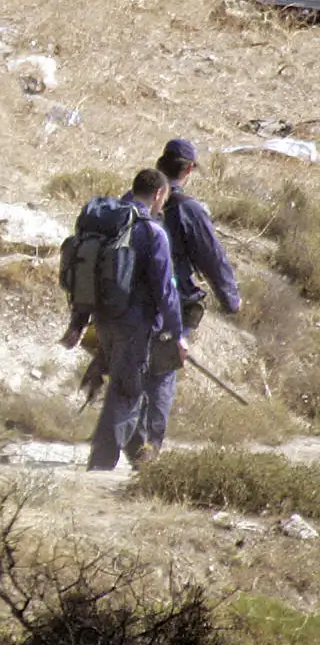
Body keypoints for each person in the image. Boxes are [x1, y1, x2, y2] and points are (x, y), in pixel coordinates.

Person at [63, 168, 182, 472]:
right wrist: (176, 332)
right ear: (158, 194)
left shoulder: (113, 227)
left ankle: (143, 462)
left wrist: (78, 322)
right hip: (135, 326)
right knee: (126, 393)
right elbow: (165, 289)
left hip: (103, 321)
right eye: (163, 198)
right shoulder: (152, 232)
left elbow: (91, 274)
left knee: (128, 386)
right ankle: (99, 467)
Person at [136, 137, 240, 458]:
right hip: (174, 301)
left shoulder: (135, 199)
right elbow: (212, 258)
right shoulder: (188, 209)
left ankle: (128, 435)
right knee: (162, 370)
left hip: (130, 298)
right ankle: (149, 447)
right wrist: (231, 300)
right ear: (189, 170)